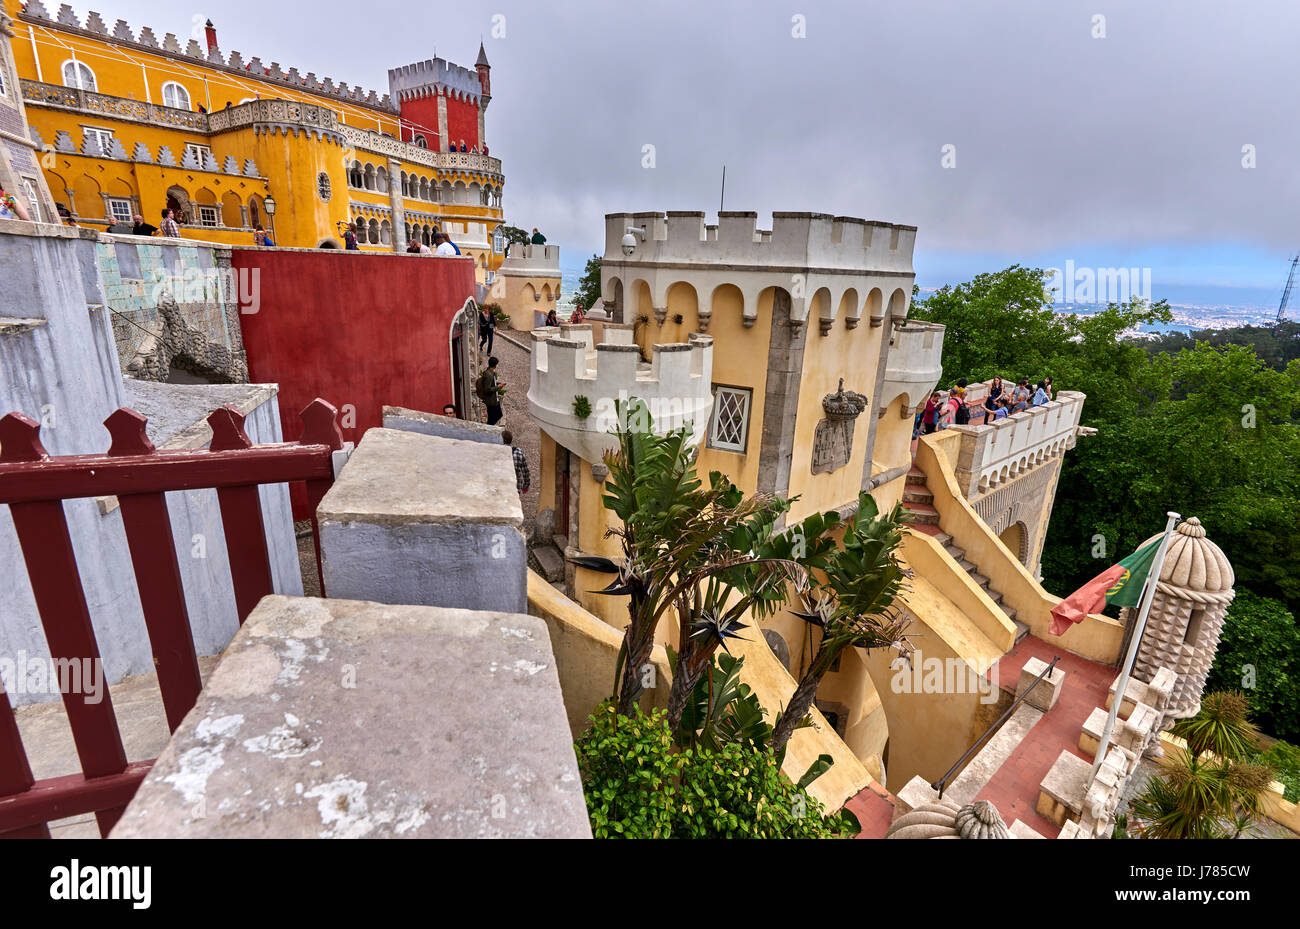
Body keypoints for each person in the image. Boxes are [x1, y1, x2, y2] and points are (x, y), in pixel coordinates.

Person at [475, 356, 504, 425]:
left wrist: (497, 383)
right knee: (496, 416)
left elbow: (490, 383)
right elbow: (487, 389)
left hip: (494, 399)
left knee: (495, 416)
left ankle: (490, 427)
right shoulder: (489, 375)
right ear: (495, 365)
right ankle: (489, 428)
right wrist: (498, 387)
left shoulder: (489, 371)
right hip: (491, 401)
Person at [502, 429, 530, 495]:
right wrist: (526, 485)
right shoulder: (519, 452)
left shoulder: (498, 451)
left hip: (502, 487)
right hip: (515, 487)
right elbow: (525, 471)